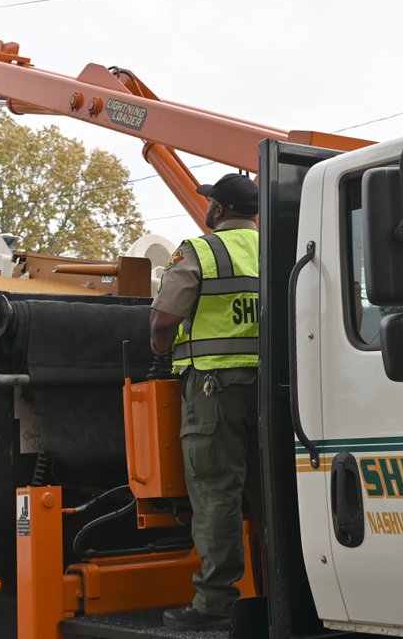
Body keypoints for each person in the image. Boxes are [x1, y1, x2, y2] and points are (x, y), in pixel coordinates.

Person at [150, 173, 261, 631]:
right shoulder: (279, 250)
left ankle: (215, 603)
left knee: (217, 492)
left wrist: (160, 348)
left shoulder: (201, 251)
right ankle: (287, 589)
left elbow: (164, 320)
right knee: (275, 492)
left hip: (215, 389)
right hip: (277, 390)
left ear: (218, 209)